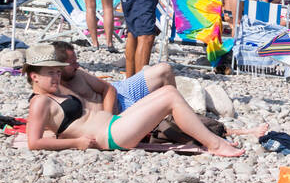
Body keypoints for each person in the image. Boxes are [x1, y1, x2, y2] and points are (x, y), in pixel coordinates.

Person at [22, 43, 242, 156]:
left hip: (114, 123)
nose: (56, 76)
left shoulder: (54, 92)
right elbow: (35, 142)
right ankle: (214, 144)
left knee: (167, 92)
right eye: (50, 72)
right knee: (170, 98)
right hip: (110, 136)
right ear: (34, 76)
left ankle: (208, 136)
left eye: (58, 71)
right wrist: (77, 143)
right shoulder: (39, 102)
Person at [48, 41, 174, 113]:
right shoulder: (52, 89)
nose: (77, 65)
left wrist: (109, 119)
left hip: (122, 91)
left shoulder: (78, 72)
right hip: (124, 113)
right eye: (72, 63)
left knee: (165, 69)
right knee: (168, 98)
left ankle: (172, 120)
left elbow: (109, 89)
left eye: (76, 61)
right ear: (58, 66)